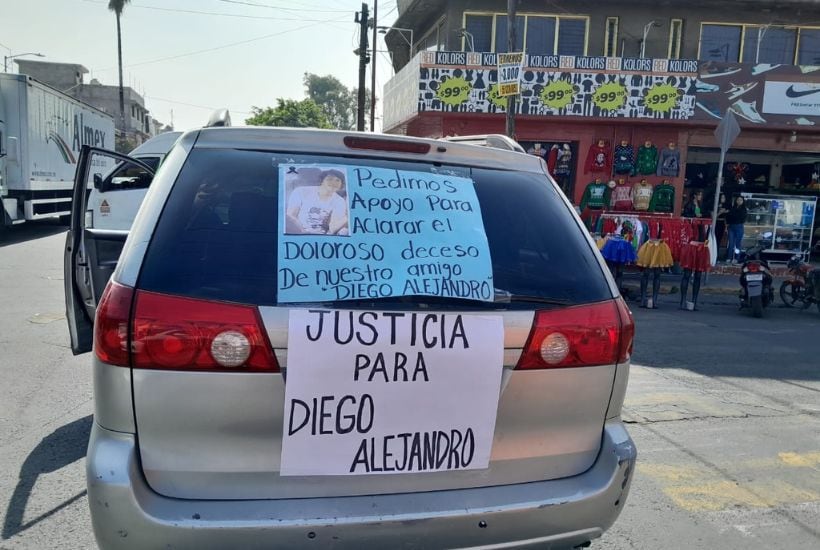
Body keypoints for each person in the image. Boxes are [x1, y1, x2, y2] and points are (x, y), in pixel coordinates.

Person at [286, 169, 349, 235]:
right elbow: (291, 216)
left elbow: (332, 228)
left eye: (337, 180)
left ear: (341, 185)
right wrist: (302, 231)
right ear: (322, 181)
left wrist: (348, 216)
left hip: (322, 237)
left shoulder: (340, 201)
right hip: (298, 232)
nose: (333, 183)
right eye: (330, 179)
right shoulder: (301, 191)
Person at [725, 195, 747, 263]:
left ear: (743, 201)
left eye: (741, 200)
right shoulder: (733, 208)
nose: (739, 201)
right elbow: (728, 216)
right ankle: (729, 257)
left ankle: (736, 258)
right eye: (738, 200)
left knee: (738, 244)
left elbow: (742, 218)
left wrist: (732, 214)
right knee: (731, 243)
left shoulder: (744, 209)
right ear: (736, 201)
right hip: (731, 227)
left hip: (739, 227)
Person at [713, 193, 729, 257]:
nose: (723, 199)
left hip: (722, 224)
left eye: (724, 198)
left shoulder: (725, 206)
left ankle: (716, 255)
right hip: (715, 223)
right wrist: (720, 212)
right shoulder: (715, 205)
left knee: (719, 239)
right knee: (712, 239)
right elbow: (713, 217)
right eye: (722, 197)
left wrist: (726, 227)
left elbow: (725, 218)